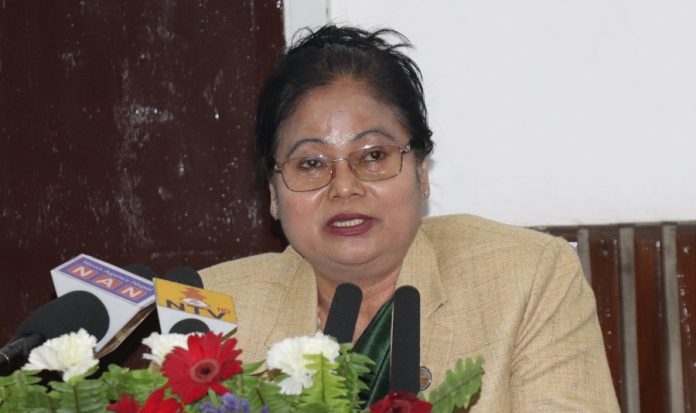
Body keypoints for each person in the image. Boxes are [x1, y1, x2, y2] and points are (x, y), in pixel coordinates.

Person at [200, 24, 619, 411]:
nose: (344, 187)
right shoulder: (213, 307)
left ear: (421, 172)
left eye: (373, 156)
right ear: (273, 193)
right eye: (311, 163)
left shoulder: (528, 278)